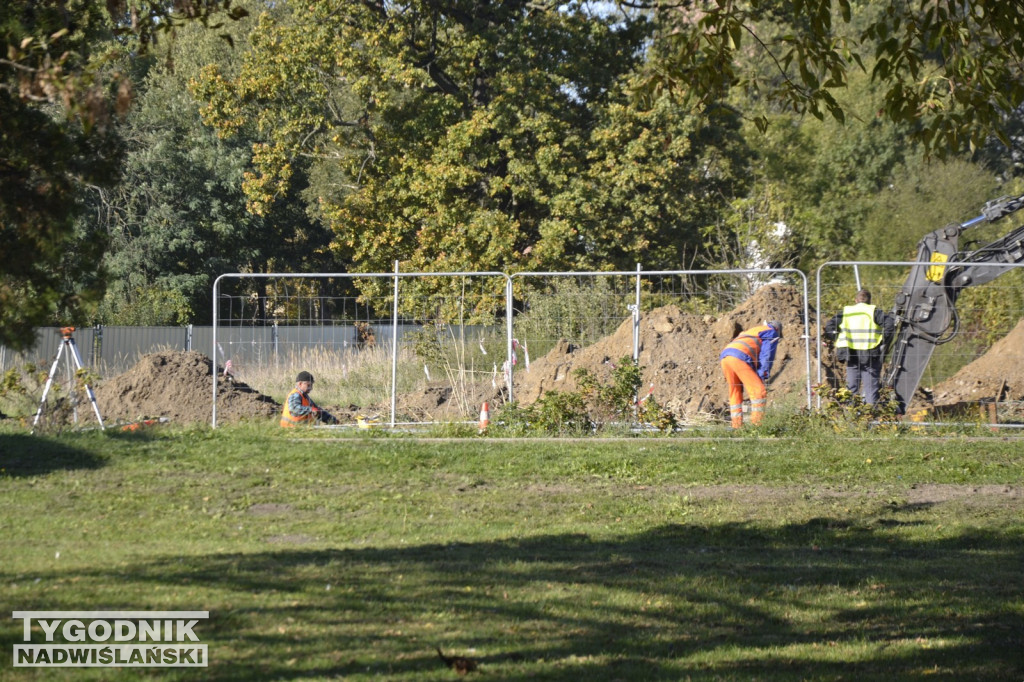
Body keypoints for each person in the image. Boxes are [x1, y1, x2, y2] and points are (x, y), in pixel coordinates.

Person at [823, 289, 895, 404]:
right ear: (869, 301)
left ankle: (853, 417)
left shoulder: (847, 311)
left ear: (856, 300)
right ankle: (871, 418)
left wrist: (837, 338)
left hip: (851, 355)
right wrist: (882, 341)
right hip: (870, 354)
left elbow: (829, 326)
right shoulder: (873, 311)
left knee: (852, 388)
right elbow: (890, 325)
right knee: (871, 389)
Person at [720, 320, 783, 429]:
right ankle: (757, 427)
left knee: (735, 391)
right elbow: (767, 356)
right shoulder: (771, 332)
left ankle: (736, 427)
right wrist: (763, 373)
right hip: (739, 357)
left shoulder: (752, 331)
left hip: (725, 357)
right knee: (759, 392)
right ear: (777, 330)